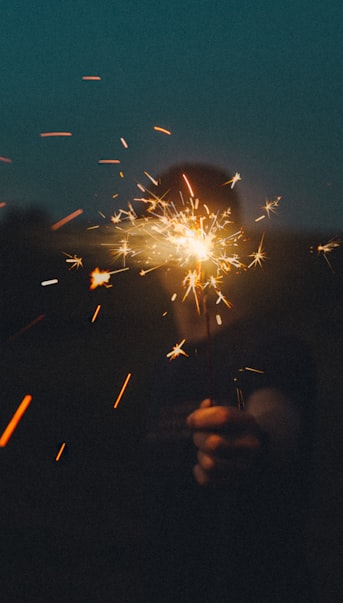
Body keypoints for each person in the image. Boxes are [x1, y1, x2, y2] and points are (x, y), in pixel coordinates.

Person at [142, 163, 316, 602]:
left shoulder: (274, 350)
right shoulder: (161, 365)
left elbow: (275, 418)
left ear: (231, 239)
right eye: (168, 226)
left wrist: (251, 442)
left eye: (198, 222)